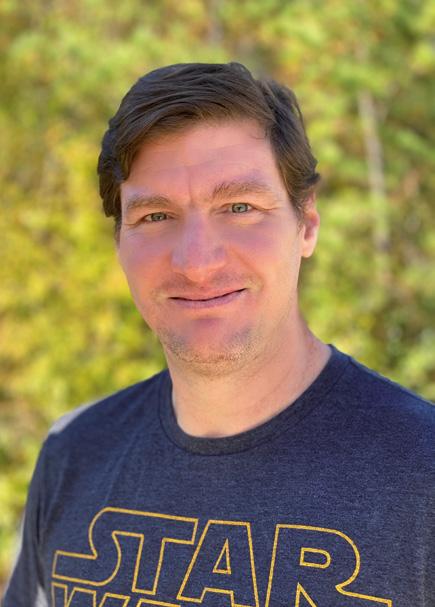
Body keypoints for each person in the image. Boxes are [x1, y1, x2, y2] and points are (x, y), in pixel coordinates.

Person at [3, 62, 434, 607]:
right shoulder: (74, 454)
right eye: (156, 216)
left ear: (306, 225)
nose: (197, 261)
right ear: (119, 243)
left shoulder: (421, 474)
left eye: (239, 207)